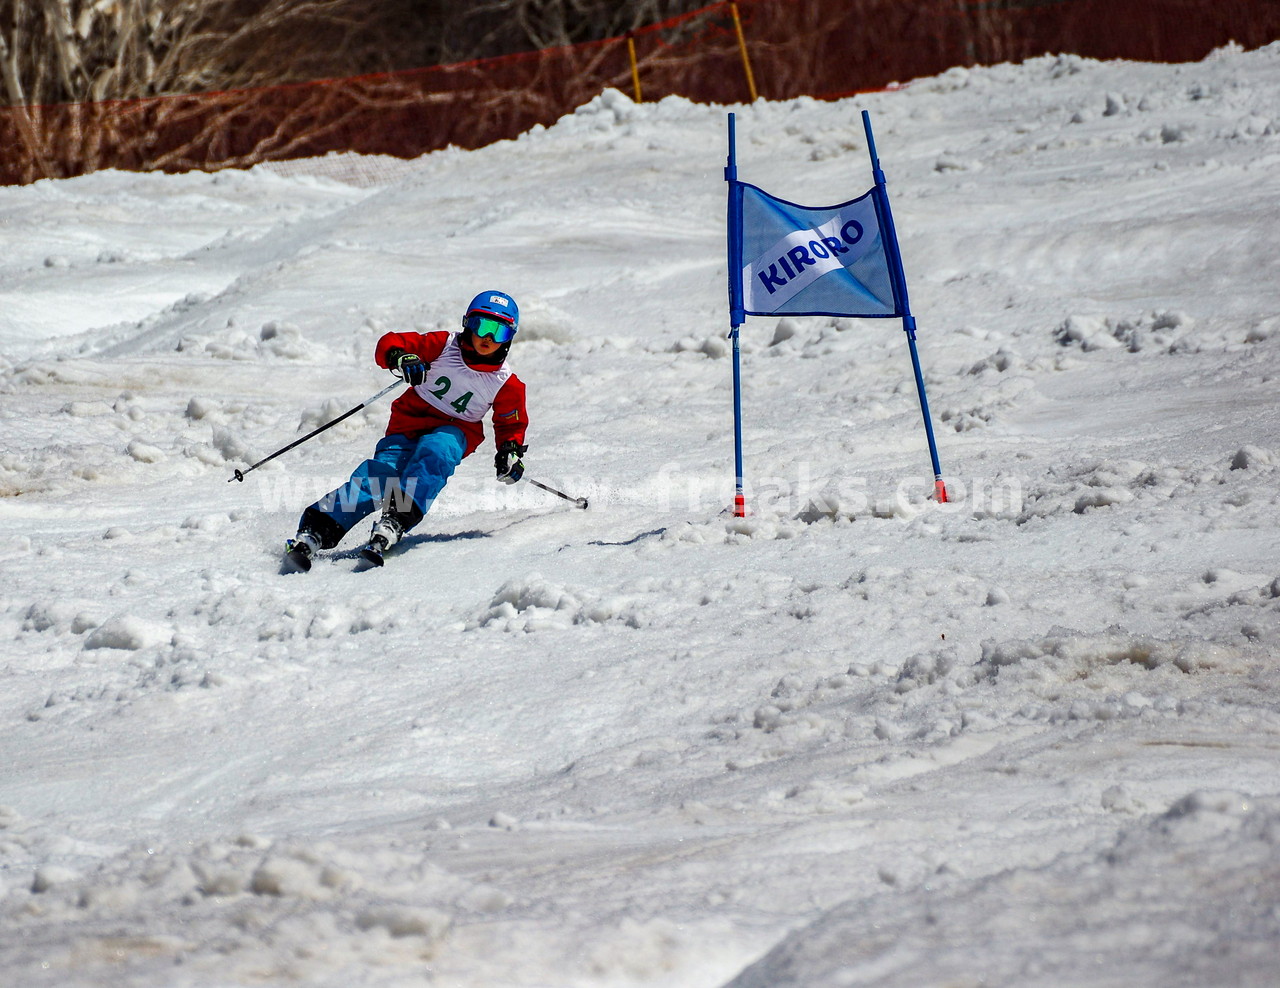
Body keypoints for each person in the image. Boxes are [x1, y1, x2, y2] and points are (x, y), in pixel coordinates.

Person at [283, 290, 529, 571]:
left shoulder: (506, 383)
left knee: (438, 450)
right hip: (409, 423)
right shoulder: (443, 345)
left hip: (455, 430)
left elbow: (511, 423)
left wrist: (509, 452)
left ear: (510, 338)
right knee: (382, 476)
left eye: (499, 332)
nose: (488, 338)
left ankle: (396, 518)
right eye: (482, 326)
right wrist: (402, 357)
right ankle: (319, 528)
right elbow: (390, 342)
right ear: (467, 325)